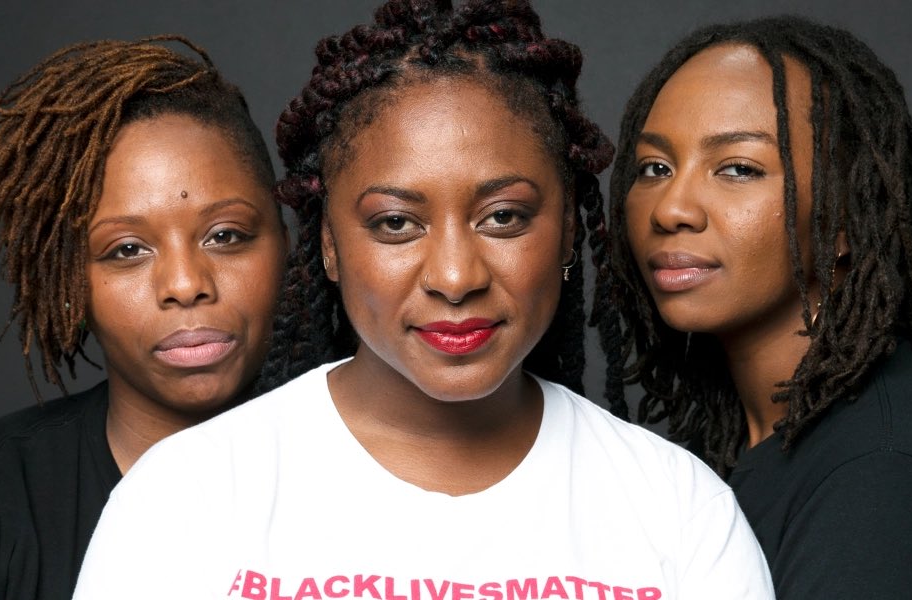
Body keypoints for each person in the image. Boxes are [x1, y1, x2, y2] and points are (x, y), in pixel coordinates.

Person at [72, 2, 773, 599]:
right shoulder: (186, 502)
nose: (455, 274)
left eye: (503, 216)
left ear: (565, 229)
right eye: (395, 224)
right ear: (329, 248)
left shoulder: (678, 512)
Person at [598, 15, 912, 599]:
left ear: (841, 215)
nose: (671, 208)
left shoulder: (883, 481)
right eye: (654, 168)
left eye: (738, 169)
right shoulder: (751, 439)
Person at [0, 37, 287, 600]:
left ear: (290, 244)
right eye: (127, 250)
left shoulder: (394, 479)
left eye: (225, 236)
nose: (185, 285)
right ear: (68, 283)